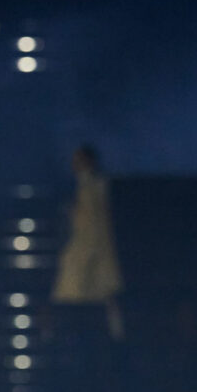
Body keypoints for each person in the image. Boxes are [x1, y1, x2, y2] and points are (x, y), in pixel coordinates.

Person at [50, 144, 125, 339]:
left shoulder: (91, 188)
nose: (74, 164)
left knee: (88, 303)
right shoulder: (90, 188)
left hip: (89, 257)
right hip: (88, 256)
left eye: (78, 160)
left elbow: (92, 227)